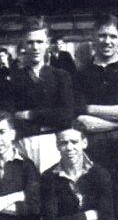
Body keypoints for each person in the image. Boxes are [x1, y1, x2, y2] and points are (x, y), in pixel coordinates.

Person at [7, 17, 75, 172]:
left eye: (39, 42)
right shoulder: (14, 78)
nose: (35, 47)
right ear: (24, 44)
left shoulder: (61, 76)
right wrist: (48, 121)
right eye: (30, 42)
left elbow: (66, 116)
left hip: (55, 145)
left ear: (47, 44)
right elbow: (11, 117)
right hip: (23, 145)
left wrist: (30, 114)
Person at [74, 14, 118, 165]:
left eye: (112, 36)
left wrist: (91, 108)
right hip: (93, 144)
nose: (107, 41)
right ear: (94, 38)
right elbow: (82, 119)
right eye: (102, 36)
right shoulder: (81, 74)